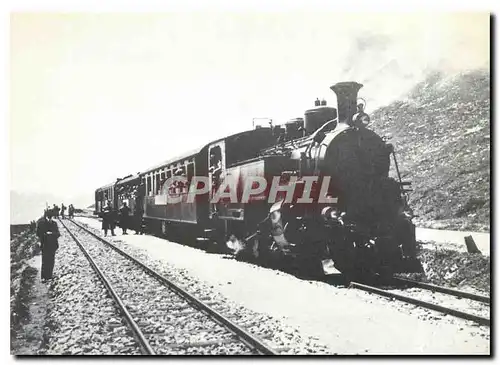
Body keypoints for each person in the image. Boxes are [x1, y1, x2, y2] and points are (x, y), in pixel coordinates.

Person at [36, 211, 60, 281]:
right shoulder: (41, 223)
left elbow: (58, 234)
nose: (50, 219)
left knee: (51, 261)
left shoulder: (54, 224)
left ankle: (49, 276)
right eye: (49, 218)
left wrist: (52, 233)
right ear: (46, 217)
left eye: (51, 218)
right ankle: (43, 277)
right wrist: (44, 235)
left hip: (53, 245)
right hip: (45, 245)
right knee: (45, 261)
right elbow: (38, 233)